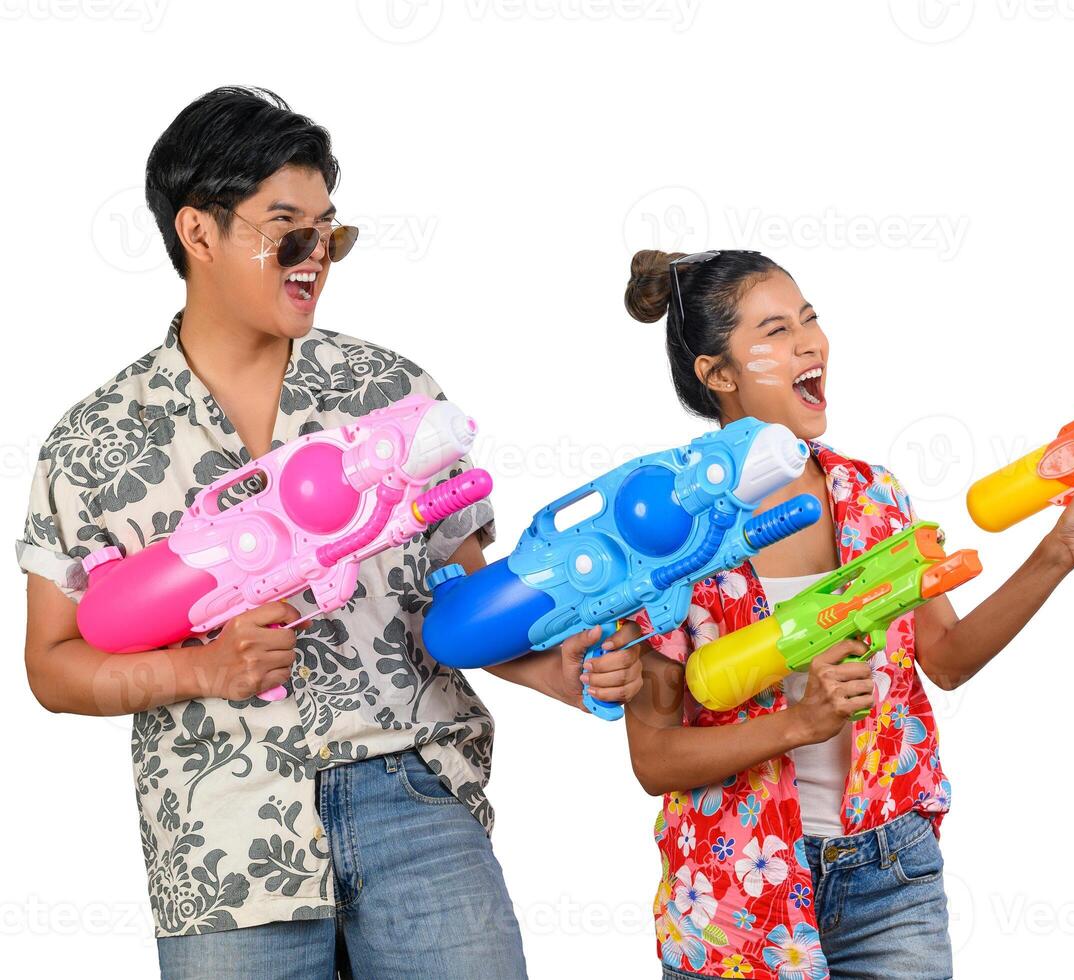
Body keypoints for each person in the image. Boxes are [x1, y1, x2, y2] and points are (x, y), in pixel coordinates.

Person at [18, 86, 642, 979]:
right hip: (223, 837)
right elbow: (52, 663)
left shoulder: (394, 394)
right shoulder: (94, 440)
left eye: (330, 233)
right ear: (198, 233)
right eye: (289, 231)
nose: (317, 256)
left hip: (417, 800)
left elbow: (463, 605)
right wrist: (204, 669)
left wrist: (568, 667)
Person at [620, 249, 1074, 980]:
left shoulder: (870, 494)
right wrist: (798, 726)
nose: (808, 343)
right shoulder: (661, 527)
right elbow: (655, 759)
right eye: (773, 331)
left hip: (890, 873)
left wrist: (1056, 552)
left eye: (808, 320)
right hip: (735, 888)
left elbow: (948, 657)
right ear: (719, 374)